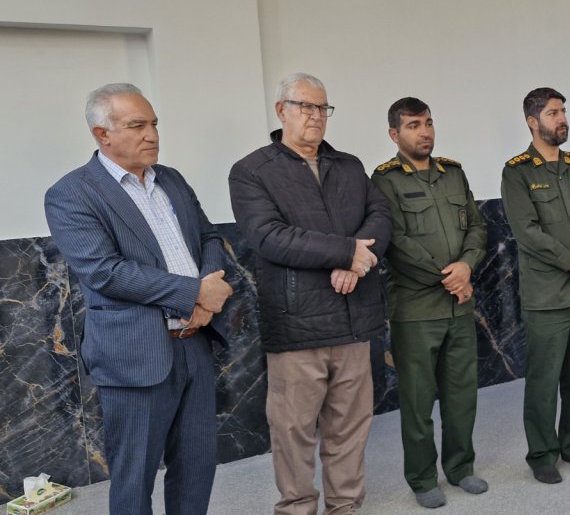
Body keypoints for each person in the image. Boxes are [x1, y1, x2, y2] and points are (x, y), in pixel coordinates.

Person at [44, 83, 234, 515]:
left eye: (154, 124)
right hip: (135, 354)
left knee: (197, 468)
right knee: (135, 479)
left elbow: (208, 237)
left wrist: (206, 295)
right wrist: (194, 293)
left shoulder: (171, 179)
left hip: (195, 342)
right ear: (102, 134)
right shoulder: (72, 193)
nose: (152, 135)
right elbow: (104, 271)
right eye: (137, 126)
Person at [228, 73, 392, 515]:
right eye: (305, 106)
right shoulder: (252, 171)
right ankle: (298, 507)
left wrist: (356, 260)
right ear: (281, 111)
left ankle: (346, 506)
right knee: (293, 430)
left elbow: (380, 216)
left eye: (322, 107)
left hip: (354, 316)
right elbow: (269, 236)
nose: (315, 116)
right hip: (297, 324)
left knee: (350, 426)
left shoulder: (349, 166)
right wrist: (345, 253)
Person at [370, 98, 489, 509]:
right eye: (413, 125)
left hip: (460, 304)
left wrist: (466, 266)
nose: (425, 132)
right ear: (394, 134)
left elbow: (476, 226)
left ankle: (460, 467)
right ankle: (422, 478)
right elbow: (396, 244)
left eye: (428, 123)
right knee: (418, 400)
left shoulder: (453, 173)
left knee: (462, 394)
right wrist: (449, 277)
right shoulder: (384, 180)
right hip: (416, 309)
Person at [500, 87, 570, 484]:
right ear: (533, 122)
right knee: (544, 380)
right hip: (547, 294)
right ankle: (542, 453)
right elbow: (527, 232)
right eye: (552, 113)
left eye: (563, 111)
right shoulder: (517, 172)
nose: (562, 119)